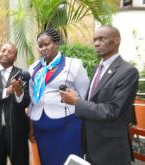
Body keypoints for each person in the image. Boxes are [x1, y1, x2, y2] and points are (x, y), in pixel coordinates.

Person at [60, 25, 139, 165]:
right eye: (95, 39)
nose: (96, 43)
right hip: (91, 144)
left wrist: (77, 102)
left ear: (117, 40)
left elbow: (112, 110)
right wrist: (75, 98)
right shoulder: (98, 67)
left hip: (111, 148)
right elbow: (95, 100)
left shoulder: (128, 71)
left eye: (102, 39)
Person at [28, 28, 90, 165]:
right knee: (48, 161)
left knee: (70, 160)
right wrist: (30, 123)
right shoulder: (33, 68)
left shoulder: (73, 64)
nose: (43, 48)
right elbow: (32, 99)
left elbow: (86, 97)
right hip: (41, 127)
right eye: (40, 45)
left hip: (68, 126)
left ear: (56, 43)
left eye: (47, 44)